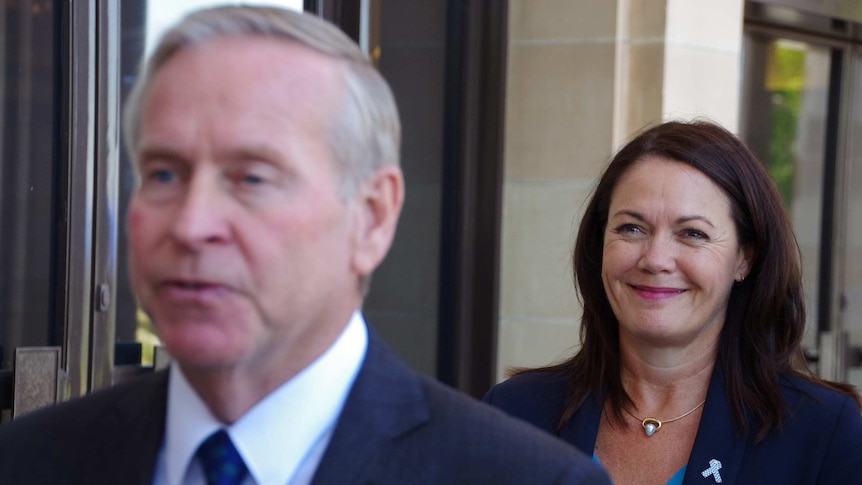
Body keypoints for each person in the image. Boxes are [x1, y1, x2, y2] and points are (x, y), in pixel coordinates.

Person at [0, 6, 611, 485]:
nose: (191, 224)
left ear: (370, 220)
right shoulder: (29, 462)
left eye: (251, 178)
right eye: (164, 173)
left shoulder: (524, 477)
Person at [485, 120, 862, 484]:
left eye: (692, 233)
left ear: (744, 259)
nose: (655, 259)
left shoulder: (822, 432)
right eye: (631, 228)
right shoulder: (516, 414)